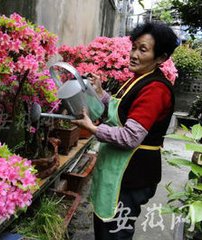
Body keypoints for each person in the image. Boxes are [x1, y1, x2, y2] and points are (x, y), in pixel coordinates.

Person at [71, 22, 179, 239]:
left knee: (115, 233)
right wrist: (101, 93)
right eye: (134, 47)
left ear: (161, 58)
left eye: (143, 50)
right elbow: (122, 111)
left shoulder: (155, 89)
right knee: (105, 228)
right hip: (121, 170)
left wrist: (92, 128)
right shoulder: (140, 79)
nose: (134, 54)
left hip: (132, 174)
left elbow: (130, 136)